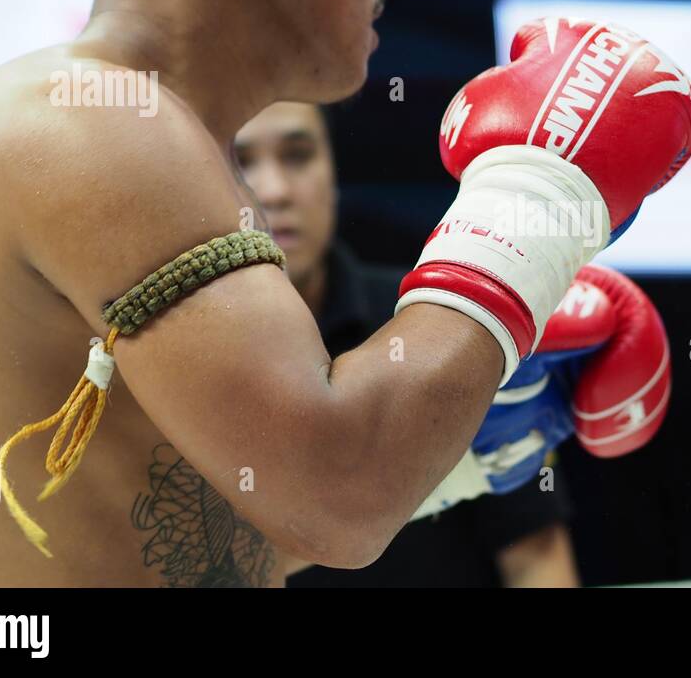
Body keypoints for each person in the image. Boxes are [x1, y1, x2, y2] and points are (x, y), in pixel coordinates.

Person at [0, 0, 691, 586]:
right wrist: (533, 198)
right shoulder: (87, 123)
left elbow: (208, 549)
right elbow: (340, 499)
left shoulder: (154, 146)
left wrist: (464, 451)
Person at [234, 101, 579, 587]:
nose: (275, 191)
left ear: (332, 169)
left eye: (298, 155)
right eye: (240, 161)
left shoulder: (443, 320)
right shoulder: (172, 356)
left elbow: (537, 557)